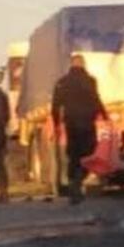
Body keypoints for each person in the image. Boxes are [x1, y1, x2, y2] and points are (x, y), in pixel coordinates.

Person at [51, 55, 107, 204]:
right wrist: (105, 116)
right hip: (88, 123)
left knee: (73, 155)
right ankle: (78, 180)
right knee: (88, 153)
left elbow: (55, 105)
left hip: (71, 124)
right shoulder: (90, 81)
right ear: (83, 64)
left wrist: (56, 123)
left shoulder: (62, 82)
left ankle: (73, 184)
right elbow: (96, 99)